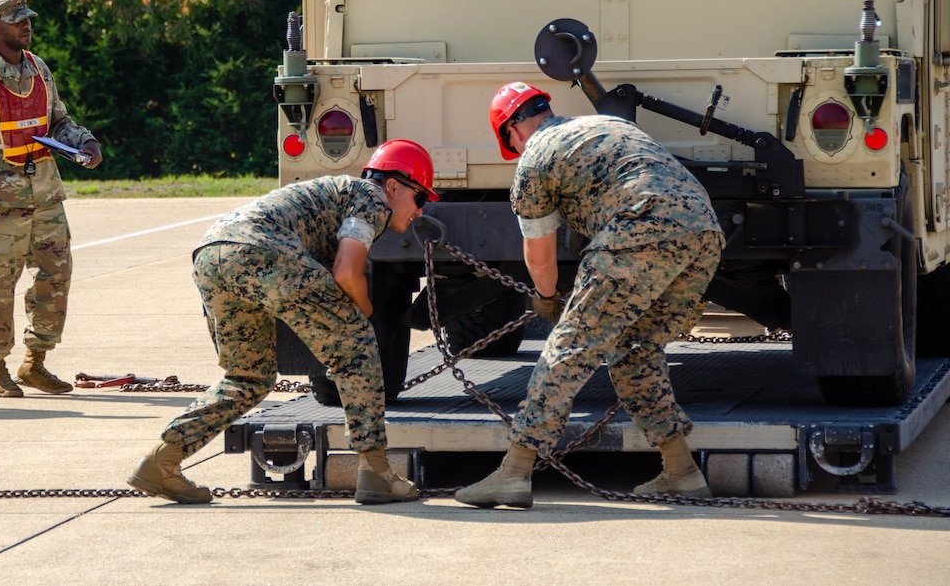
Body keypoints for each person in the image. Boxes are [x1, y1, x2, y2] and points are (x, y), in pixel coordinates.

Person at [455, 82, 724, 509]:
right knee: (636, 350)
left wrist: (546, 299)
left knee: (569, 347)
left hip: (639, 227)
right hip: (704, 232)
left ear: (513, 131)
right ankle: (683, 472)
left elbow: (539, 258)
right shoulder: (606, 124)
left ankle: (515, 472)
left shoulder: (535, 159)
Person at [128, 139, 438, 505]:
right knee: (357, 346)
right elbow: (347, 272)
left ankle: (162, 460)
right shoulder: (371, 198)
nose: (420, 211)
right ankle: (376, 473)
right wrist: (365, 316)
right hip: (262, 250)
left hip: (213, 253)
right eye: (420, 198)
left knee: (248, 376)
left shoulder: (336, 191)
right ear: (394, 186)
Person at [0, 0, 103, 398]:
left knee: (56, 276)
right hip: (2, 197)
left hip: (47, 193)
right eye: (17, 20)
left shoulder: (38, 68)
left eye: (27, 17)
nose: (26, 24)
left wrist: (84, 143)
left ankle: (35, 363)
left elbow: (59, 120)